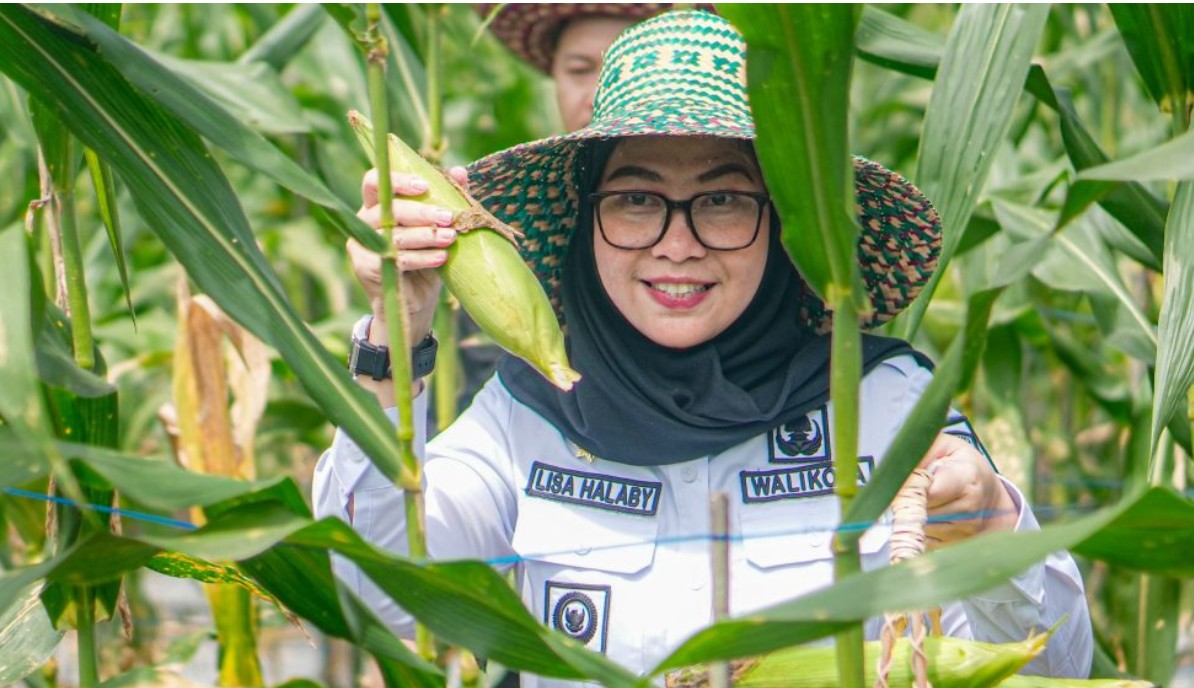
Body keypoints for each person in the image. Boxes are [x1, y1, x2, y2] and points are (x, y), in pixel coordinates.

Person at [316, 10, 1093, 686]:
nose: (675, 244)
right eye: (635, 199)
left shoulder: (884, 406)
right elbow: (373, 593)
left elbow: (1049, 667)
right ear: (587, 220)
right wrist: (397, 339)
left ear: (788, 221)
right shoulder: (525, 418)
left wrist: (992, 524)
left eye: (721, 200)